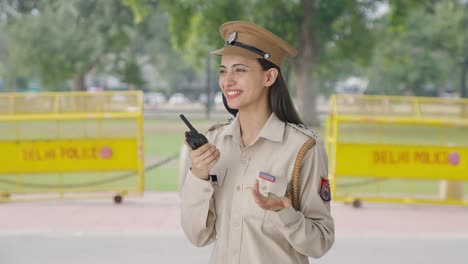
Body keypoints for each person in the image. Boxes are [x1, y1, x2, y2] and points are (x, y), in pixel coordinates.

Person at [180, 21, 334, 264]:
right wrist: (198, 176)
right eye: (223, 71)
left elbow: (319, 243)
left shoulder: (302, 148)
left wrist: (284, 213)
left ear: (269, 76)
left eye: (239, 70)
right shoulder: (214, 142)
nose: (227, 81)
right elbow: (198, 236)